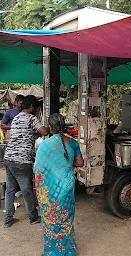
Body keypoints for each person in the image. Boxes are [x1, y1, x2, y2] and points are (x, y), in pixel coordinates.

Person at [34, 113, 84, 256]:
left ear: (50, 127)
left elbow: (38, 169)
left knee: (50, 219)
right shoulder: (73, 143)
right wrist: (67, 163)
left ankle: (53, 251)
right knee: (66, 219)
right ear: (64, 126)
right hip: (66, 188)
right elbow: (80, 163)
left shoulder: (44, 145)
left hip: (49, 190)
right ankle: (67, 250)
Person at [3, 95, 49, 228]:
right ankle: (33, 217)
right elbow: (44, 132)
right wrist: (52, 127)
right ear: (32, 107)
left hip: (9, 157)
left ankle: (7, 220)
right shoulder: (31, 118)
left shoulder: (16, 117)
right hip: (21, 160)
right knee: (26, 189)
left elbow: (24, 133)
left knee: (10, 189)